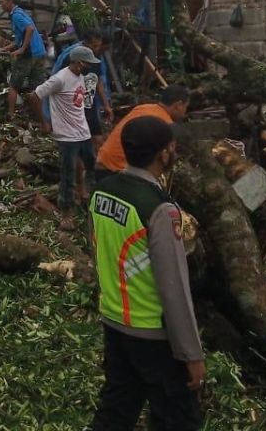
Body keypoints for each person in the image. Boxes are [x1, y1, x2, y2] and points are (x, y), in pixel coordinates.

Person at [89, 116, 204, 431]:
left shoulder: (103, 191)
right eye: (172, 147)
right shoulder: (159, 209)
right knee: (178, 418)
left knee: (116, 409)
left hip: (114, 321)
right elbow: (174, 288)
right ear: (164, 153)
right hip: (152, 332)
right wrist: (191, 354)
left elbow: (98, 251)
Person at [34, 45, 101, 230]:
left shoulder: (79, 77)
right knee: (68, 173)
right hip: (66, 135)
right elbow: (35, 96)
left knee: (90, 165)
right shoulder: (60, 79)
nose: (88, 67)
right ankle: (67, 214)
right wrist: (44, 121)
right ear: (79, 63)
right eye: (87, 63)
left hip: (82, 132)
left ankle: (86, 195)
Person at [98, 86, 191, 174]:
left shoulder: (143, 107)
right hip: (119, 169)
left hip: (102, 160)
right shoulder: (165, 124)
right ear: (178, 105)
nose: (184, 114)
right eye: (186, 107)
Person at [0, 0, 47, 120]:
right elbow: (18, 40)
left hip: (29, 55)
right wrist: (4, 49)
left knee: (13, 86)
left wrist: (22, 50)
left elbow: (30, 29)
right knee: (37, 88)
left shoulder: (16, 15)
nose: (1, 5)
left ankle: (10, 115)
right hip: (39, 52)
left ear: (10, 1)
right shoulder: (20, 13)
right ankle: (42, 117)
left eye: (3, 2)